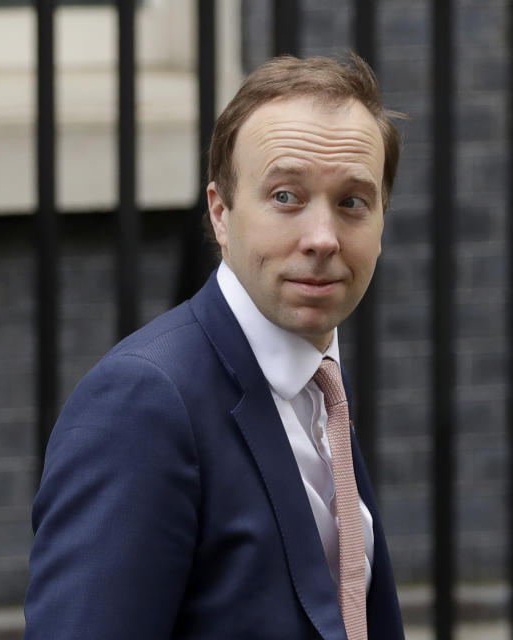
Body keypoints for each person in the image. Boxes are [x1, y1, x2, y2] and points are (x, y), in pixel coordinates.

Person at [24, 53, 406, 640]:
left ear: (382, 221)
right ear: (220, 213)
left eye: (352, 202)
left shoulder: (319, 381)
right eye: (286, 196)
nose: (323, 238)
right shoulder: (143, 403)